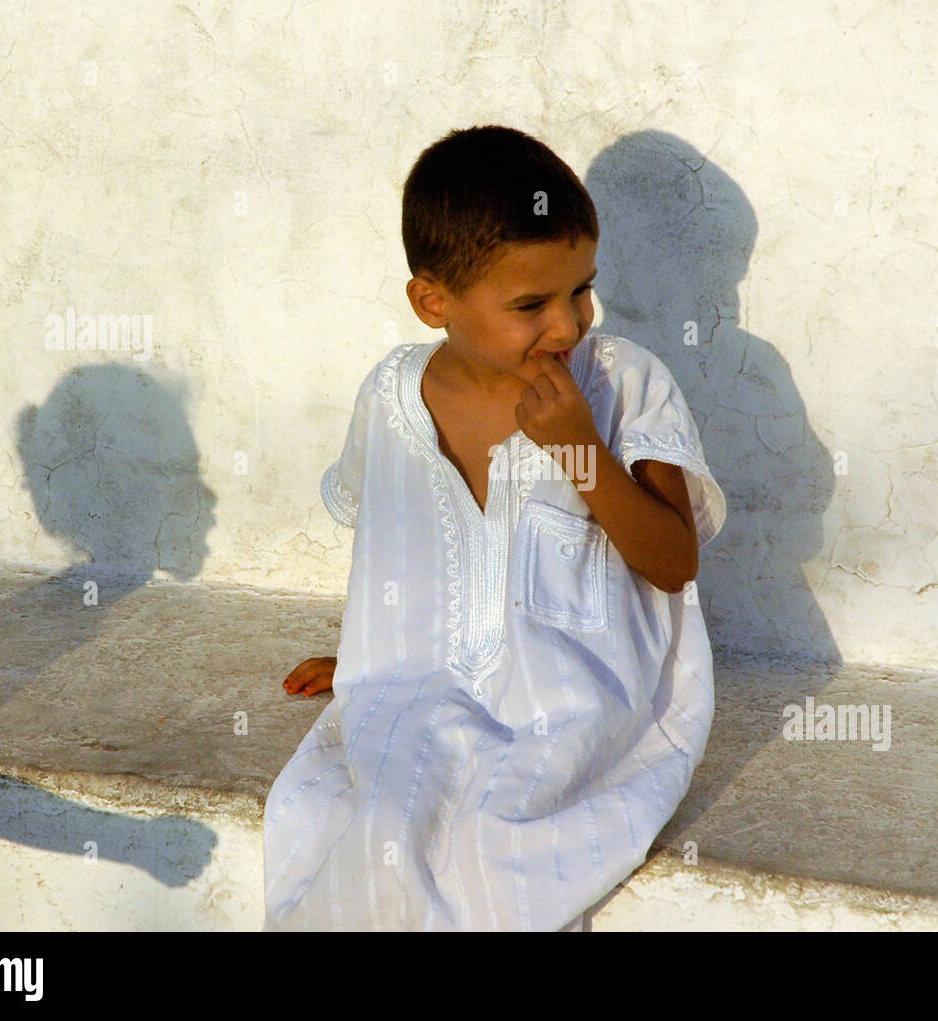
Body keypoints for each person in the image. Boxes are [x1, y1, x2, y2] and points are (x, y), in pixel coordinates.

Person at [262, 125, 727, 931]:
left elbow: (673, 561)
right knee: (352, 822)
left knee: (487, 837)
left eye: (582, 289)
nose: (568, 325)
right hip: (431, 680)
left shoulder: (623, 384)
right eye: (530, 305)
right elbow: (405, 554)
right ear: (433, 301)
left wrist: (582, 451)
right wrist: (375, 649)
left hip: (582, 694)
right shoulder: (391, 398)